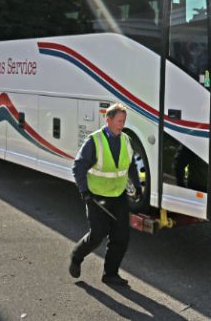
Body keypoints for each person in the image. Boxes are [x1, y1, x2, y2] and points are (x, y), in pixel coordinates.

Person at [68, 103, 142, 286]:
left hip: (118, 196)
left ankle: (110, 274)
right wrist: (84, 191)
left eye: (124, 121)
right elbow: (78, 167)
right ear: (108, 120)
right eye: (119, 121)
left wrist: (137, 185)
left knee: (121, 237)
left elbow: (131, 165)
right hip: (96, 196)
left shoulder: (126, 140)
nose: (122, 125)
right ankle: (76, 256)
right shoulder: (95, 141)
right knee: (97, 235)